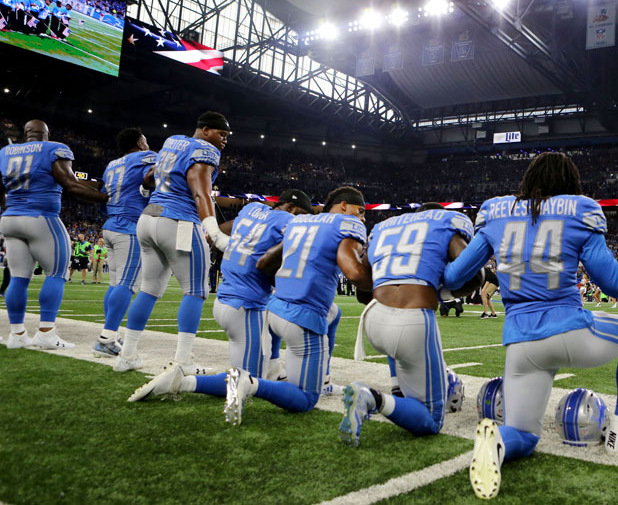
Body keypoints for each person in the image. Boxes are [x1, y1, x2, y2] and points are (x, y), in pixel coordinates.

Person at [441, 152, 618, 500]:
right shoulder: (579, 210)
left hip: (520, 343)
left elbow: (456, 276)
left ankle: (500, 442)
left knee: (524, 434)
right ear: (570, 184)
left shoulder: (496, 212)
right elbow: (616, 284)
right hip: (569, 330)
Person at [127, 191, 313, 403]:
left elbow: (220, 234)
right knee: (247, 379)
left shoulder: (252, 209)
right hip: (246, 306)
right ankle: (182, 382)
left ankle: (273, 367)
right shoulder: (289, 222)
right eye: (300, 214)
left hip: (224, 300)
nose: (301, 220)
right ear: (289, 207)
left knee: (250, 362)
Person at [220, 186, 372, 425]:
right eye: (360, 211)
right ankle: (252, 382)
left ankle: (189, 380)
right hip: (303, 314)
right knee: (305, 399)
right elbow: (354, 274)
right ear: (343, 206)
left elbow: (264, 262)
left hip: (276, 307)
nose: (362, 218)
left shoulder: (301, 223)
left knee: (335, 312)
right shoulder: (347, 225)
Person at [339, 203, 479, 446]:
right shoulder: (446, 224)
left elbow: (364, 287)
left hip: (373, 318)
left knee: (399, 347)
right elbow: (472, 274)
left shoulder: (384, 228)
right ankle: (371, 398)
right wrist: (441, 289)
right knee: (431, 420)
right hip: (411, 321)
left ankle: (397, 388)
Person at [114, 112, 232, 372]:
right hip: (178, 221)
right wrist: (214, 232)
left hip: (148, 218)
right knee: (196, 290)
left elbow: (150, 176)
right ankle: (182, 361)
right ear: (204, 130)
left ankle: (127, 355)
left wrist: (146, 190)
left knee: (149, 288)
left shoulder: (172, 141)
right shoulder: (204, 150)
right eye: (220, 134)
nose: (224, 140)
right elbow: (200, 192)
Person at [1, 120, 108, 349]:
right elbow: (69, 184)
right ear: (47, 134)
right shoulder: (53, 149)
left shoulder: (6, 152)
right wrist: (107, 198)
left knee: (19, 278)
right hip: (42, 217)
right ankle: (46, 332)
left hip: (10, 218)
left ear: (25, 132)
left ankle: (17, 335)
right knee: (57, 274)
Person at [93, 128, 156, 357]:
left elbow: (101, 192)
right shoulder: (146, 157)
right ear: (140, 143)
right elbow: (164, 170)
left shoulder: (112, 164)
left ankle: (109, 333)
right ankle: (107, 338)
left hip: (110, 225)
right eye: (146, 140)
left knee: (115, 283)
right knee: (128, 284)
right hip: (129, 226)